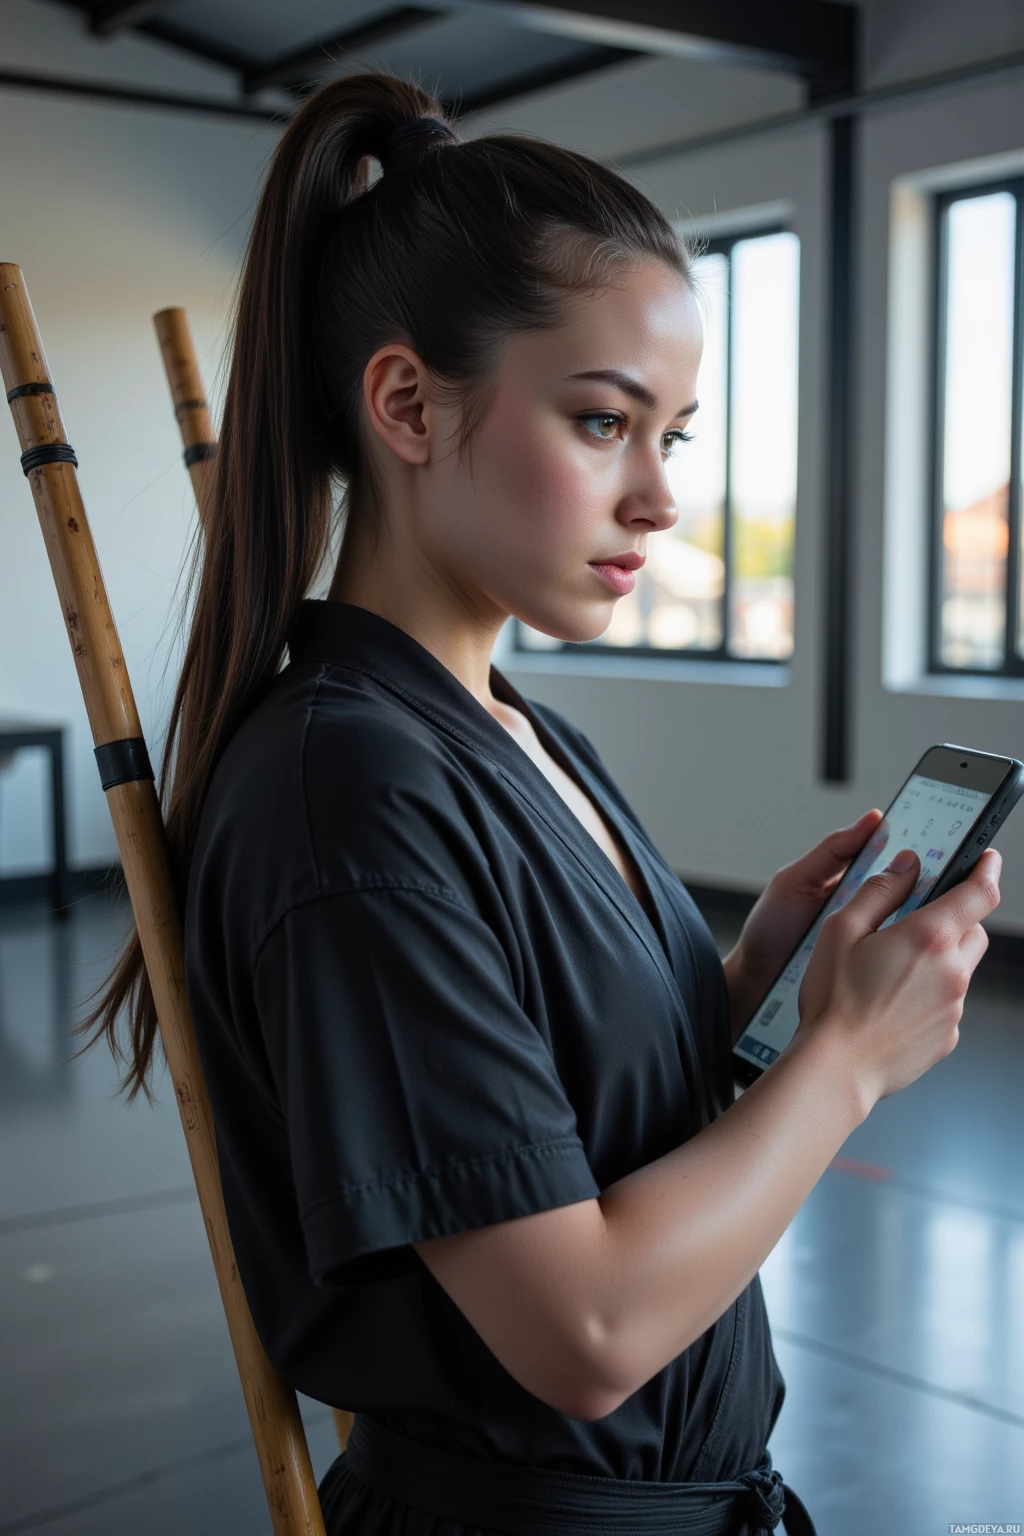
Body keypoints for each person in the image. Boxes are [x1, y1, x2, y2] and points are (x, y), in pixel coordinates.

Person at [84, 71, 1002, 1536]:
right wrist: (846, 1062)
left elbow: (566, 1108)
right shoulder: (351, 790)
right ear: (405, 403)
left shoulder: (515, 728)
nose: (659, 498)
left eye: (675, 437)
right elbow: (581, 1333)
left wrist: (747, 986)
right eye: (601, 423)